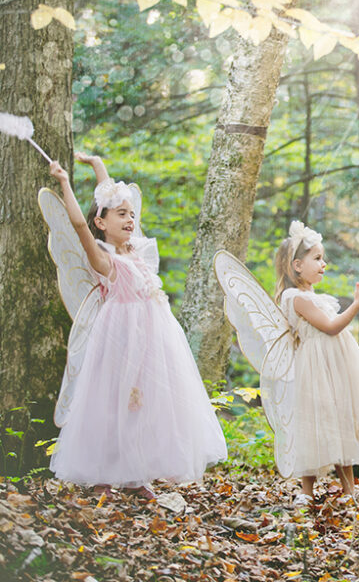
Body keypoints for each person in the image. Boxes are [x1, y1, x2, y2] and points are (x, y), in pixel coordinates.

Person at [47, 153, 226, 499]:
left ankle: (134, 473)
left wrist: (98, 164)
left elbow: (108, 193)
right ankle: (103, 474)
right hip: (119, 336)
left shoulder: (138, 250)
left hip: (154, 337)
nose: (130, 219)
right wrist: (65, 182)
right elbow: (80, 225)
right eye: (121, 214)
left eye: (132, 214)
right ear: (102, 223)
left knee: (145, 402)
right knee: (112, 400)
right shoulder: (105, 258)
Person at [274, 221, 359, 504]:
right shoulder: (295, 298)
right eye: (317, 258)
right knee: (316, 422)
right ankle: (306, 491)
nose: (323, 264)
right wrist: (356, 304)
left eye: (323, 258)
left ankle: (349, 489)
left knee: (342, 419)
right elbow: (330, 328)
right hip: (316, 369)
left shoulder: (312, 296)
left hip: (335, 366)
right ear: (296, 265)